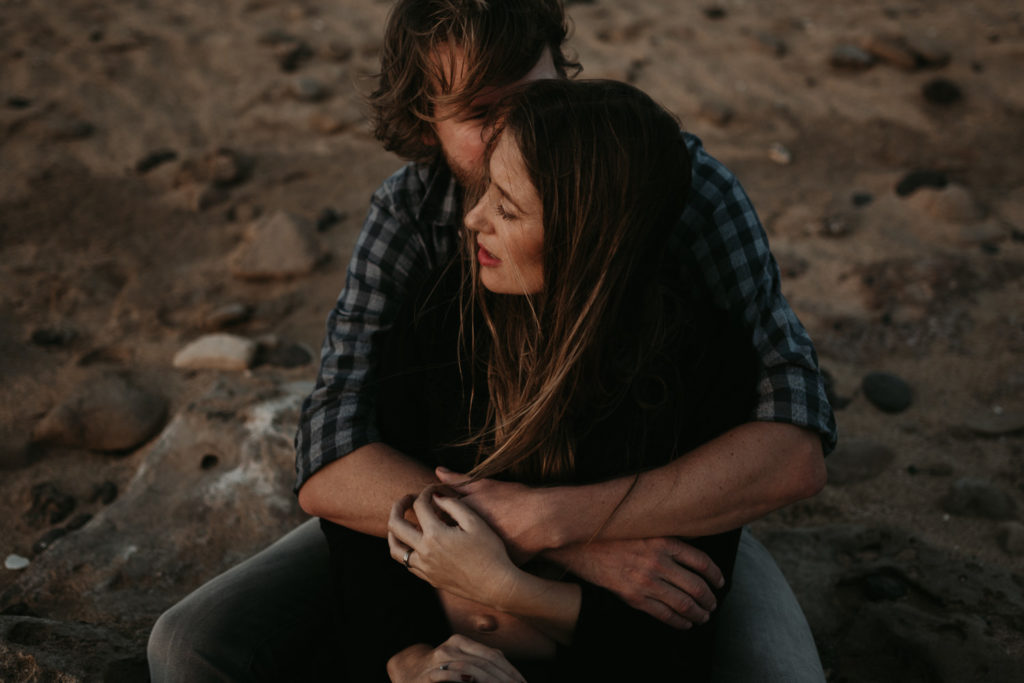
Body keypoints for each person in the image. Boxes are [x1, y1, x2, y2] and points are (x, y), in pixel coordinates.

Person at [147, 1, 835, 680]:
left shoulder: (672, 191)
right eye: (479, 114)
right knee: (191, 645)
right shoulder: (420, 242)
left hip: (663, 515)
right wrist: (542, 544)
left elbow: (792, 444)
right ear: (427, 123)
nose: (516, 127)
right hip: (448, 530)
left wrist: (554, 521)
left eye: (529, 94)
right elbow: (335, 453)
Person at [324, 77, 765, 682]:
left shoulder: (702, 369)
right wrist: (408, 658)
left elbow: (672, 641)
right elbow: (362, 533)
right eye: (484, 193)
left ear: (591, 238)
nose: (474, 219)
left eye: (506, 208)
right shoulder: (440, 312)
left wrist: (499, 583)